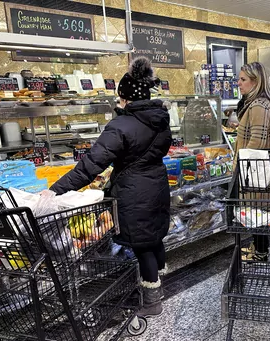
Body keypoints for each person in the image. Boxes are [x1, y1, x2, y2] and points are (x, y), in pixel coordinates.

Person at [50, 57, 172, 316]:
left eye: (119, 99)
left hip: (134, 191)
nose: (118, 103)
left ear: (126, 99)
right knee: (154, 237)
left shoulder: (120, 125)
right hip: (157, 186)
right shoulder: (161, 120)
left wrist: (55, 190)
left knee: (142, 245)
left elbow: (91, 165)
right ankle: (160, 288)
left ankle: (152, 302)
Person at [235, 62, 270, 262]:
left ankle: (260, 252)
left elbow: (256, 143)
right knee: (256, 209)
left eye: (243, 79)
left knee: (256, 210)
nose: (238, 83)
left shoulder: (258, 105)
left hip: (253, 168)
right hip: (255, 167)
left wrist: (243, 168)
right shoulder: (259, 103)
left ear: (255, 81)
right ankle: (257, 248)